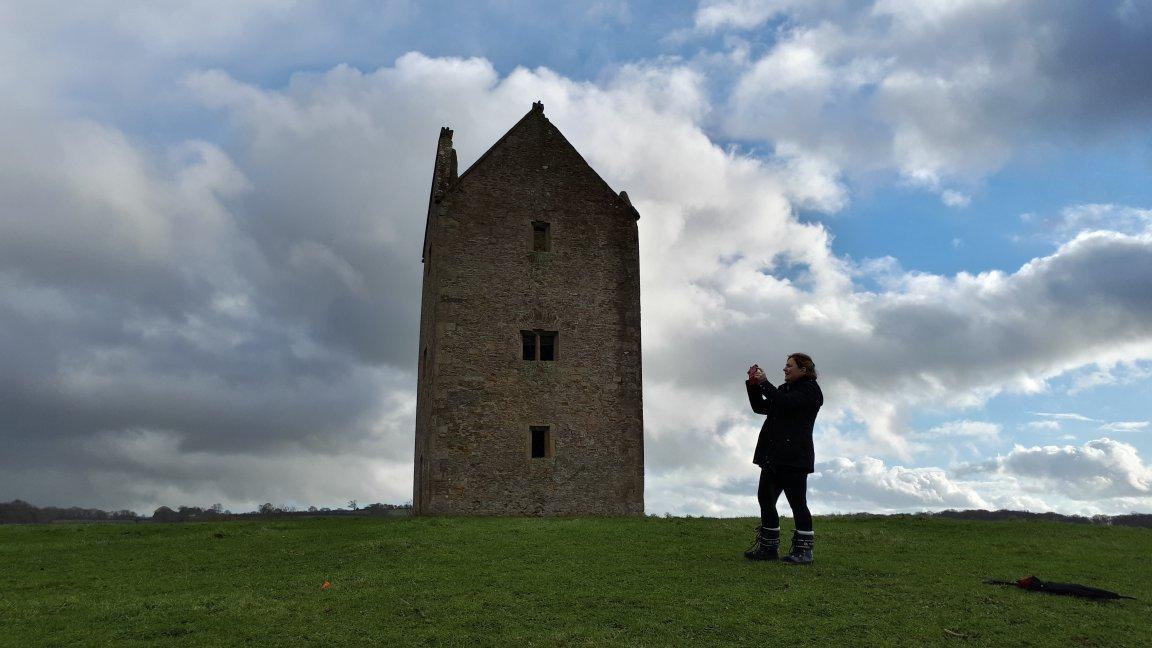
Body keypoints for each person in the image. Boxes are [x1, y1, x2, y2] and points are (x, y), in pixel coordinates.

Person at [743, 353, 823, 564]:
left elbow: (786, 404)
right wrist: (754, 385)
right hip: (773, 457)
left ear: (803, 370)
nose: (785, 369)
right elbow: (761, 408)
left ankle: (804, 551)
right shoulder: (784, 389)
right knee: (765, 499)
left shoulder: (810, 391)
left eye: (789, 366)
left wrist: (765, 383)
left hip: (794, 458)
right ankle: (768, 549)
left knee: (797, 503)